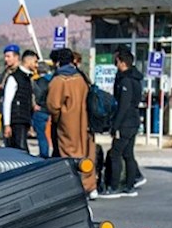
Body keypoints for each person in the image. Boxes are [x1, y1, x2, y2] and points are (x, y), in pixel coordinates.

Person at [47, 48, 97, 196]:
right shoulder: (82, 77)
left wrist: (57, 119)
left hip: (67, 124)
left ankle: (73, 188)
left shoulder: (59, 80)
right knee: (87, 154)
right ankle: (90, 185)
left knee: (69, 156)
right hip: (86, 122)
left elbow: (53, 105)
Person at [99, 50, 142, 199]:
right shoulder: (136, 79)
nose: (115, 64)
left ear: (123, 63)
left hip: (126, 123)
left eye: (116, 61)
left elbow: (123, 106)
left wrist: (115, 125)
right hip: (134, 121)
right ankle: (129, 185)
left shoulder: (126, 81)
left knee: (115, 154)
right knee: (128, 154)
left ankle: (114, 186)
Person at [2, 49, 38, 152]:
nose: (36, 65)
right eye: (35, 62)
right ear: (28, 61)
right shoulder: (14, 78)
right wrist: (7, 125)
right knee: (20, 150)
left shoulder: (27, 78)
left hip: (24, 120)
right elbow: (7, 102)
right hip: (16, 121)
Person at [31, 61, 52, 158]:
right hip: (52, 110)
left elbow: (34, 95)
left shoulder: (36, 82)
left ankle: (44, 154)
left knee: (42, 135)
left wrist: (34, 105)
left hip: (40, 111)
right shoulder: (54, 80)